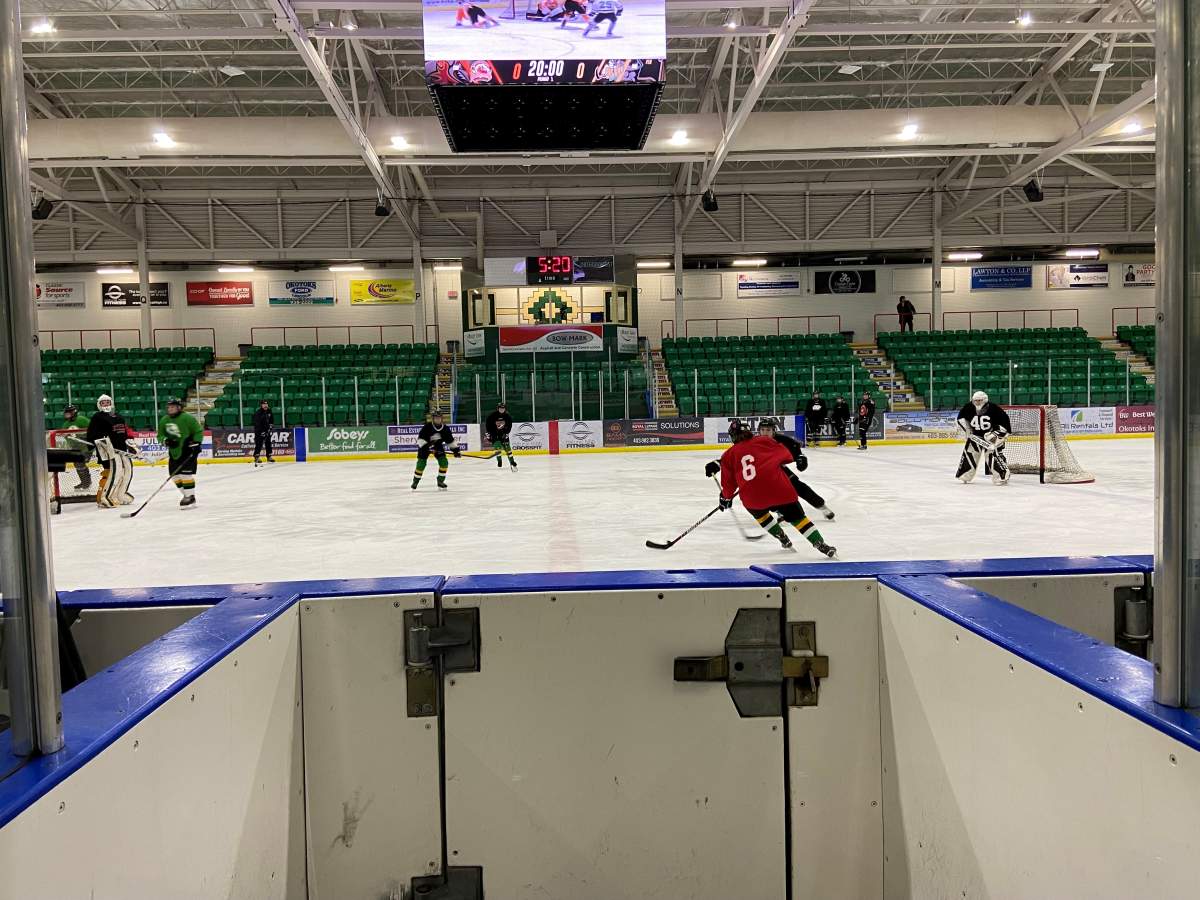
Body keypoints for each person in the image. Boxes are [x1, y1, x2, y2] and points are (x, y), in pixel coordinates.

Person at [716, 421, 836, 557]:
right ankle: (820, 543)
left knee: (760, 514)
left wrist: (725, 498)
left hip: (753, 497)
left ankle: (781, 536)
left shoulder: (727, 455)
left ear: (732, 436)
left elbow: (729, 486)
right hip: (780, 490)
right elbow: (786, 456)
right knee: (798, 518)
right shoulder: (763, 441)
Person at [703, 418, 836, 521]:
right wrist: (718, 463)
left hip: (778, 470)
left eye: (768, 430)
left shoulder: (782, 440)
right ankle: (780, 511)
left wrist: (800, 457)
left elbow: (794, 448)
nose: (765, 433)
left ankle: (821, 506)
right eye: (763, 430)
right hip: (763, 472)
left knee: (799, 487)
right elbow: (739, 457)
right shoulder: (755, 441)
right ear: (758, 431)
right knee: (765, 491)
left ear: (774, 431)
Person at [85, 394, 135, 507]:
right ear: (99, 405)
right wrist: (105, 445)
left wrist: (130, 443)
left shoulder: (118, 416)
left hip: (122, 450)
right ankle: (106, 496)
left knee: (128, 471)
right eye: (103, 403)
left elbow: (124, 432)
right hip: (109, 452)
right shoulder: (97, 417)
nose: (106, 404)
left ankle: (121, 494)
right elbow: (92, 435)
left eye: (107, 402)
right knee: (114, 473)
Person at [955, 390, 1012, 485]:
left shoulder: (994, 408)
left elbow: (1005, 423)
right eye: (975, 400)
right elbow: (961, 419)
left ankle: (1002, 476)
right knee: (969, 454)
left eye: (979, 400)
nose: (977, 402)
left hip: (990, 437)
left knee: (993, 455)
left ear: (985, 400)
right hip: (975, 437)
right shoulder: (968, 407)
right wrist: (966, 430)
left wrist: (996, 434)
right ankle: (965, 475)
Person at [159, 397, 204, 509]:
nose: (170, 409)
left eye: (173, 407)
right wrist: (166, 440)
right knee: (174, 476)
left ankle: (188, 497)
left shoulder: (187, 418)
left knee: (185, 474)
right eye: (169, 407)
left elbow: (198, 431)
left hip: (187, 450)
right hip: (174, 452)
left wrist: (197, 443)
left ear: (179, 407)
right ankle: (189, 495)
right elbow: (160, 435)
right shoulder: (164, 420)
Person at [412, 410, 460, 491]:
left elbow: (450, 441)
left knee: (444, 463)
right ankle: (415, 481)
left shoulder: (445, 429)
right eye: (436, 418)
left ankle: (440, 481)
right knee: (421, 464)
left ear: (442, 419)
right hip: (425, 446)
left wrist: (456, 451)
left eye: (439, 418)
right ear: (433, 419)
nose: (437, 420)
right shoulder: (427, 427)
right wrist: (428, 448)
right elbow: (420, 440)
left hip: (438, 446)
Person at [60, 404, 93, 491]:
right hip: (76, 448)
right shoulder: (66, 424)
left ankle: (86, 482)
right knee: (77, 464)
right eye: (65, 413)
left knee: (79, 463)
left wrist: (83, 435)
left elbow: (92, 429)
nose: (66, 415)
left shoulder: (82, 420)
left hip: (86, 448)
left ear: (73, 412)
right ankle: (85, 482)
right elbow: (63, 435)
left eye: (68, 413)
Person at [484, 401, 517, 470]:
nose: (502, 409)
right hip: (494, 435)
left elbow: (509, 426)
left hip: (503, 434)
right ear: (498, 408)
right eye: (500, 408)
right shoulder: (492, 415)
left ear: (505, 409)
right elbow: (487, 425)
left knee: (508, 449)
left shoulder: (507, 416)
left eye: (503, 408)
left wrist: (507, 433)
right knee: (498, 448)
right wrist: (488, 434)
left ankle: (512, 462)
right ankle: (499, 460)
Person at [252, 399, 275, 466]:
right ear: (261, 405)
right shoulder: (258, 413)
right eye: (264, 404)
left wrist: (271, 426)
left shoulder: (269, 411)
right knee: (259, 444)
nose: (265, 405)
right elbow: (257, 424)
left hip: (267, 430)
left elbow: (271, 420)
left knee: (268, 443)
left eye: (266, 404)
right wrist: (261, 431)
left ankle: (269, 456)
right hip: (259, 431)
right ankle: (256, 456)